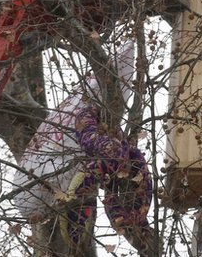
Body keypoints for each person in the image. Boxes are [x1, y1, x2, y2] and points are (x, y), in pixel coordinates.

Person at [12, 46, 153, 253]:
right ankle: (121, 222)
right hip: (84, 159)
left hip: (89, 157)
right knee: (110, 162)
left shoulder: (115, 148)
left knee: (115, 164)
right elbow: (100, 157)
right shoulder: (92, 126)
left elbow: (117, 168)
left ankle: (128, 224)